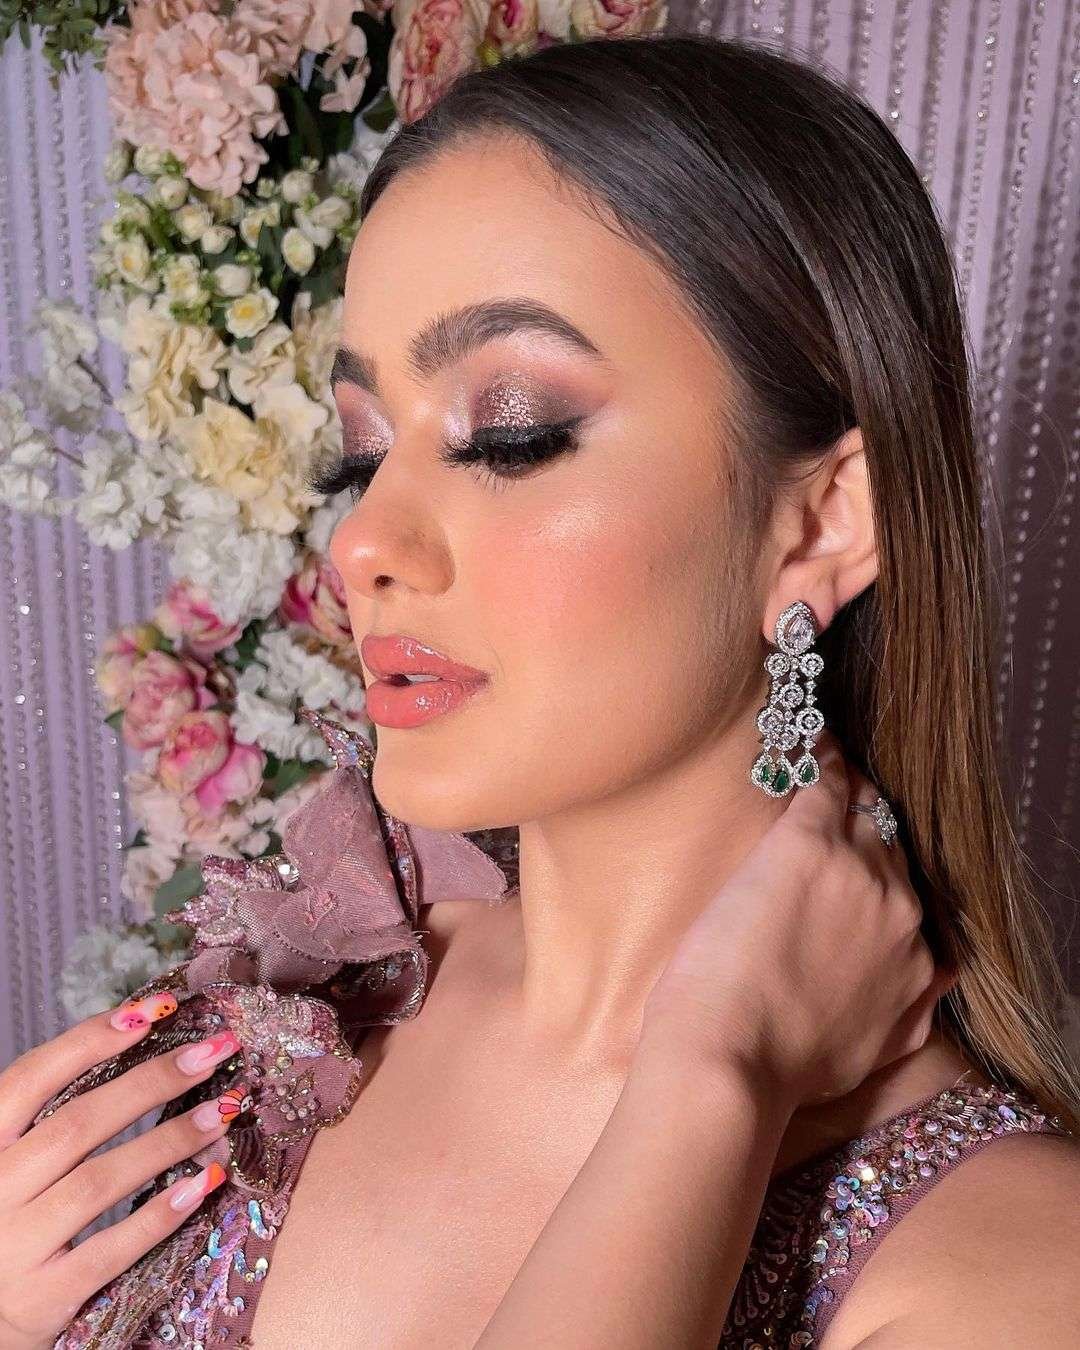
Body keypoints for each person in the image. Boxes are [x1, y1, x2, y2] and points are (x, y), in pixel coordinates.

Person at [2, 31, 1079, 1350]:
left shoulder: (1015, 1269)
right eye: (361, 454)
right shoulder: (296, 1015)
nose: (362, 540)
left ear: (822, 522)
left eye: (509, 434)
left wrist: (708, 1085)